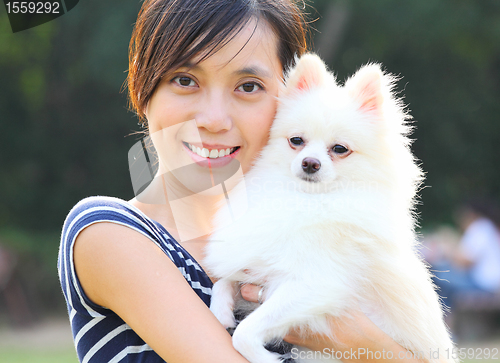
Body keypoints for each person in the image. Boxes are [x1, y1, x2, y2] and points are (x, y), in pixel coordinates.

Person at [58, 0, 427, 362]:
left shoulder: (320, 240)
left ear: (286, 101)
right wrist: (357, 341)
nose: (215, 119)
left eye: (248, 86)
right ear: (143, 86)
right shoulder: (106, 231)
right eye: (185, 80)